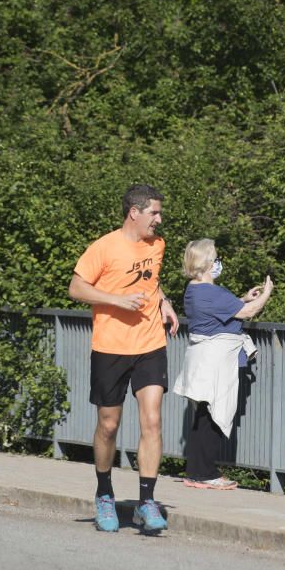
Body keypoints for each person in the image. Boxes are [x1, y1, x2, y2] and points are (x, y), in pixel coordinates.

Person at [68, 184, 180, 533]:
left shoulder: (157, 246)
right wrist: (116, 300)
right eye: (154, 213)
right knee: (109, 425)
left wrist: (165, 301)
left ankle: (147, 501)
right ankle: (104, 494)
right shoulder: (104, 247)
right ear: (134, 212)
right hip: (111, 347)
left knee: (152, 419)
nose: (159, 220)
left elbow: (150, 280)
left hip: (149, 343)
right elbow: (76, 288)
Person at [173, 239, 273, 489]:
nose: (219, 263)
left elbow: (222, 309)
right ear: (206, 264)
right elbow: (248, 313)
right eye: (216, 258)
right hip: (216, 362)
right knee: (216, 415)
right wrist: (267, 293)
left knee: (203, 416)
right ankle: (206, 474)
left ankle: (196, 471)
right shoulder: (211, 292)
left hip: (201, 360)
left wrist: (242, 297)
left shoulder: (193, 290)